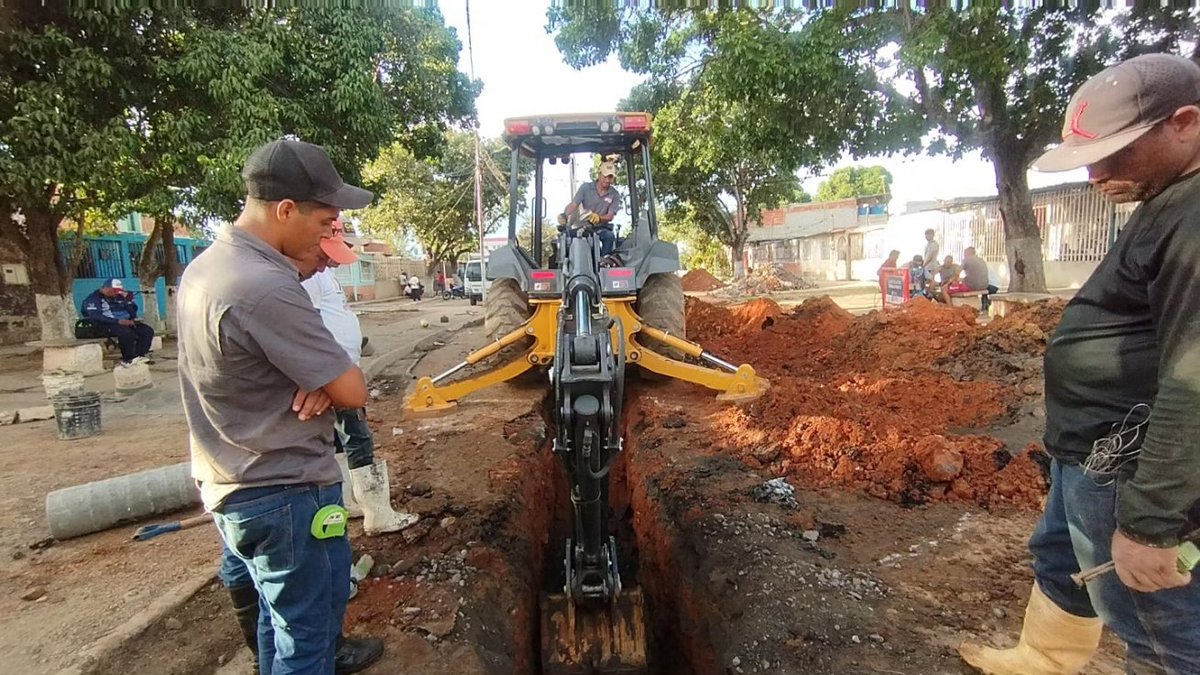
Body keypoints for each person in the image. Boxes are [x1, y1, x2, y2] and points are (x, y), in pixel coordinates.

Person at [959, 53, 1200, 675]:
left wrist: (1149, 525)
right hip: (1093, 448)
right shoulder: (1167, 199)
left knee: (1156, 625)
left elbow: (1193, 383)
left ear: (1185, 123)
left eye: (1114, 153)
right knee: (1063, 556)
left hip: (1131, 460)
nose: (1095, 174)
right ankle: (1044, 657)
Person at [178, 138, 382, 674]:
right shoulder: (265, 286)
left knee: (280, 623)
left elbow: (323, 382)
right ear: (286, 209)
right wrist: (332, 383)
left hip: (236, 483)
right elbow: (354, 392)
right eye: (324, 222)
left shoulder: (206, 268)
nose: (327, 235)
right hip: (283, 488)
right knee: (308, 643)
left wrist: (324, 381)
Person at [302, 222, 418, 536]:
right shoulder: (309, 279)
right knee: (357, 438)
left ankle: (349, 502)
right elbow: (306, 327)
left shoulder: (324, 275)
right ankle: (377, 514)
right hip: (332, 376)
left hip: (339, 371)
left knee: (341, 440)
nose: (337, 260)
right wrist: (324, 377)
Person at [81, 278, 155, 366]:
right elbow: (96, 316)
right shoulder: (93, 299)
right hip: (104, 324)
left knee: (146, 330)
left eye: (118, 291)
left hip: (123, 323)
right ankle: (128, 359)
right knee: (127, 333)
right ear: (106, 288)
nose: (116, 293)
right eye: (114, 291)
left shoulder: (119, 297)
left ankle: (139, 356)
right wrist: (118, 321)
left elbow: (132, 312)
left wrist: (129, 301)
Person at [558, 161, 623, 256]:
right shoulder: (585, 188)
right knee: (564, 236)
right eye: (605, 176)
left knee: (609, 236)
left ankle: (604, 263)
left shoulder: (614, 194)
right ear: (599, 174)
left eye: (610, 177)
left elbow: (610, 216)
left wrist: (599, 218)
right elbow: (573, 204)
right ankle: (565, 265)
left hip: (601, 228)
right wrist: (564, 215)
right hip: (582, 227)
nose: (607, 180)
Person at [960, 247, 999, 312]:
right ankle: (985, 304)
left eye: (965, 253)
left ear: (968, 253)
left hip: (986, 286)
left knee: (958, 285)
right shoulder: (981, 260)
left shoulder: (967, 259)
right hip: (986, 285)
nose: (964, 255)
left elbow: (957, 272)